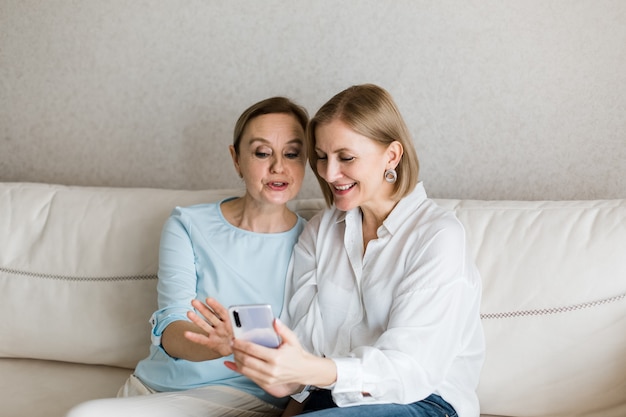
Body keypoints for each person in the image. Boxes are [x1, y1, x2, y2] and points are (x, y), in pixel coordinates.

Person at [215, 84, 485, 417]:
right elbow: (306, 356)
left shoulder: (437, 237)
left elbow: (409, 369)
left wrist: (310, 372)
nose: (328, 174)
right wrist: (282, 376)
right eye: (322, 157)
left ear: (392, 155)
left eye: (346, 158)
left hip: (420, 402)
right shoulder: (319, 233)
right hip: (329, 400)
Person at [67, 96, 309, 417]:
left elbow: (312, 355)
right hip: (152, 388)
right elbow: (170, 325)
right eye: (262, 152)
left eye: (292, 153)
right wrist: (216, 345)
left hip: (241, 397)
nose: (278, 166)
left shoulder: (315, 241)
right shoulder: (188, 224)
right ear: (236, 159)